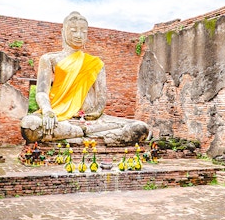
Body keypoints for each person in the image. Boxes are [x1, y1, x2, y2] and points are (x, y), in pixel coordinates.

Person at [20, 12, 150, 145]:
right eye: (73, 31)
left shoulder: (96, 63)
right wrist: (47, 111)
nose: (79, 35)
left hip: (94, 121)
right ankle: (93, 136)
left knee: (140, 127)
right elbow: (41, 92)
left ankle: (77, 134)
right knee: (30, 125)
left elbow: (101, 99)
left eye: (83, 31)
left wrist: (94, 114)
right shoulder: (49, 59)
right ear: (63, 32)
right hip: (60, 117)